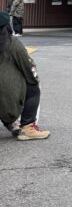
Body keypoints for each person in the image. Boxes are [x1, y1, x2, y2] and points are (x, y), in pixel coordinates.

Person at [0, 10, 50, 140]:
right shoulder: (11, 43)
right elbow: (28, 69)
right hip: (5, 100)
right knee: (33, 87)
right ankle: (28, 127)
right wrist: (34, 79)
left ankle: (11, 124)